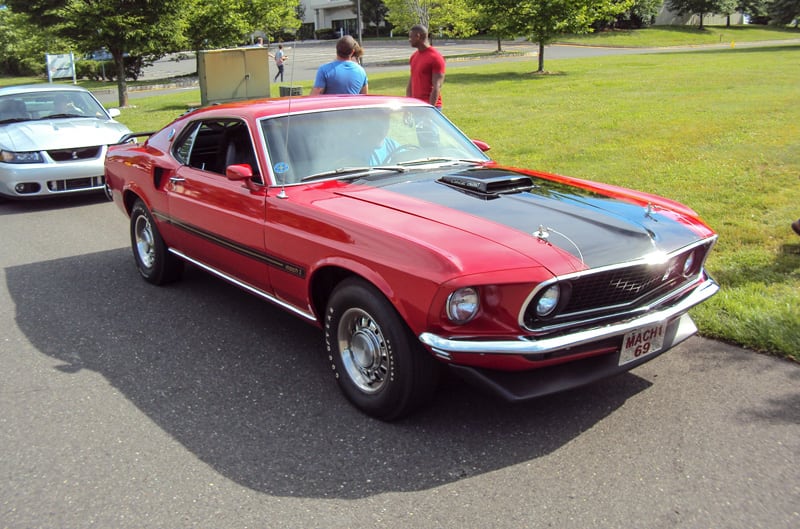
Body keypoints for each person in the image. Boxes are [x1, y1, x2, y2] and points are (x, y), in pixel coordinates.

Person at [406, 24, 445, 110]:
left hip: (430, 106)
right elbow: (411, 81)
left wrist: (430, 109)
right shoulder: (414, 56)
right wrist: (408, 104)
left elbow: (437, 86)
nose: (409, 40)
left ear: (418, 36)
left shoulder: (435, 57)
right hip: (416, 105)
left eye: (410, 37)